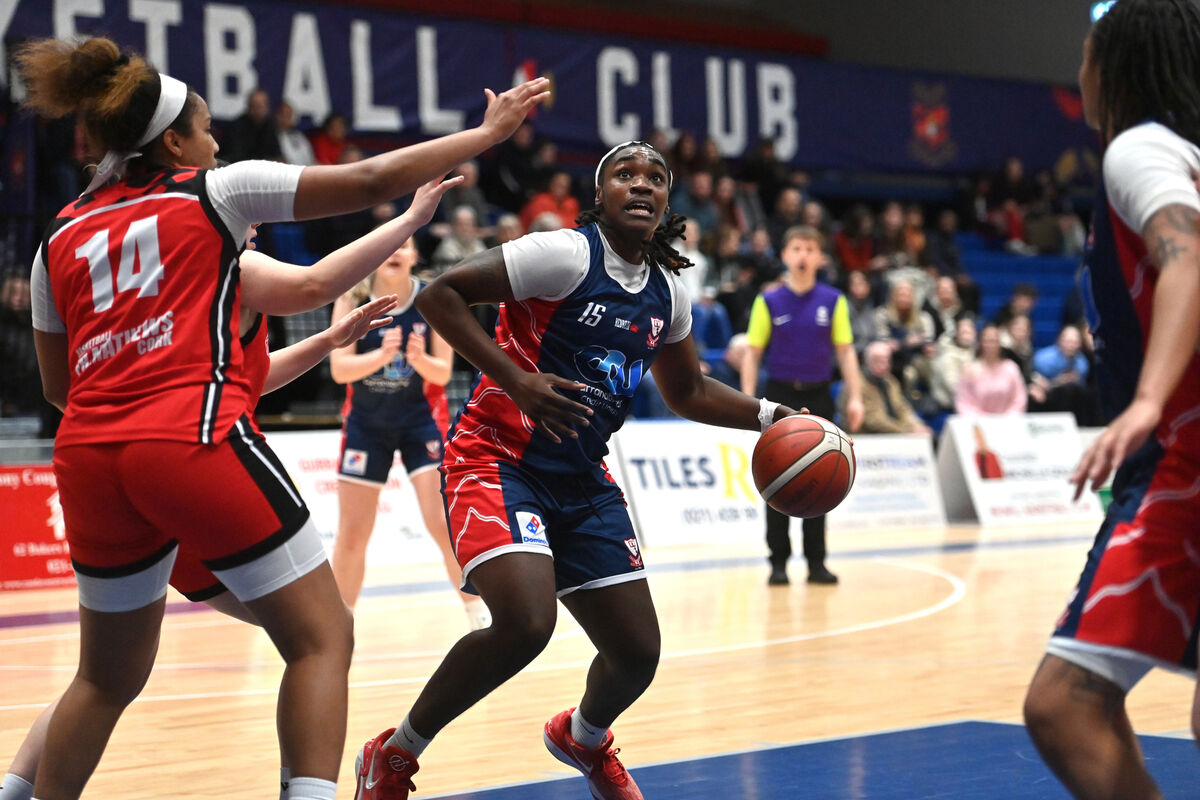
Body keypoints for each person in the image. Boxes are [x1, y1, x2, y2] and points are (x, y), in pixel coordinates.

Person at [17, 34, 548, 800]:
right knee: (322, 635)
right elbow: (367, 177)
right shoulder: (214, 192)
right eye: (205, 128)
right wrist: (485, 136)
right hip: (190, 437)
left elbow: (60, 387)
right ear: (174, 141)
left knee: (104, 679)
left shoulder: (56, 237)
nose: (218, 139)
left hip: (87, 457)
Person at [350, 140, 805, 800]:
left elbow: (689, 392)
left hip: (582, 476)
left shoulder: (668, 289)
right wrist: (517, 378)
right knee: (526, 625)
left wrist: (772, 416)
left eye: (655, 177)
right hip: (496, 458)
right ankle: (394, 753)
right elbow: (441, 297)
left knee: (637, 654)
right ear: (601, 194)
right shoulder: (562, 253)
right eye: (625, 174)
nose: (641, 185)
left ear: (667, 200)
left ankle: (582, 738)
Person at [1022, 3, 1200, 798]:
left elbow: (1187, 257)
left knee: (1064, 706)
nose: (1081, 69)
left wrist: (1147, 401)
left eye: (1088, 52)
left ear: (1113, 63)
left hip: (1184, 463)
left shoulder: (1140, 151)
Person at [329, 237, 491, 630]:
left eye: (404, 246)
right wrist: (381, 357)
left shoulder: (431, 299)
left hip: (421, 421)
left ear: (415, 256)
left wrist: (418, 359)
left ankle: (478, 614)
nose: (395, 252)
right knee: (352, 534)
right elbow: (339, 370)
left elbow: (443, 372)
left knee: (441, 522)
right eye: (389, 246)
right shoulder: (352, 298)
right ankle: (335, 626)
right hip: (366, 425)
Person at [740, 225, 864, 586]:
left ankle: (816, 563)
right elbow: (752, 352)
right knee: (776, 477)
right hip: (779, 398)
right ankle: (777, 561)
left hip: (819, 396)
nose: (803, 255)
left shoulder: (833, 300)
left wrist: (854, 396)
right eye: (796, 248)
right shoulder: (769, 301)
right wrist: (750, 400)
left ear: (820, 257)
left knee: (822, 477)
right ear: (785, 255)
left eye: (810, 248)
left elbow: (846, 352)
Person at [856, 342, 932, 435]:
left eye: (887, 360)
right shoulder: (858, 384)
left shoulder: (890, 381)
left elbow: (902, 408)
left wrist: (915, 425)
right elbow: (873, 420)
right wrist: (904, 431)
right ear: (867, 361)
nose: (884, 365)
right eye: (878, 360)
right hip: (867, 437)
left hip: (895, 434)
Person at [954, 324, 1027, 415]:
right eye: (987, 341)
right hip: (976, 423)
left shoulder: (1011, 368)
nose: (990, 345)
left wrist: (1008, 418)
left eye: (994, 341)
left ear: (1000, 343)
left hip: (1007, 423)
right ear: (981, 343)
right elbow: (963, 402)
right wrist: (983, 421)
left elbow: (1019, 399)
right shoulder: (969, 369)